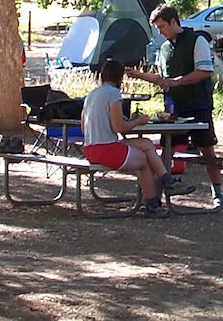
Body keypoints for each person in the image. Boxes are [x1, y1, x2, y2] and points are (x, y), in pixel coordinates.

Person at [126, 4, 223, 210]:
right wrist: (139, 75)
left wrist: (178, 81)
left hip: (198, 104)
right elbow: (163, 79)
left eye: (162, 26)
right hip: (174, 109)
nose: (161, 32)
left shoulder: (197, 40)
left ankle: (218, 193)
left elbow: (204, 71)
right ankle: (155, 197)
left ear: (173, 22)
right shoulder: (164, 49)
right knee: (167, 150)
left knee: (206, 149)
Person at [81, 58, 192, 217]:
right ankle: (152, 203)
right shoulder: (113, 94)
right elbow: (120, 128)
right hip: (106, 149)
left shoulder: (91, 95)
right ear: (120, 77)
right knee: (144, 161)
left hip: (90, 148)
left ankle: (167, 180)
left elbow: (84, 127)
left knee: (146, 144)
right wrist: (138, 121)